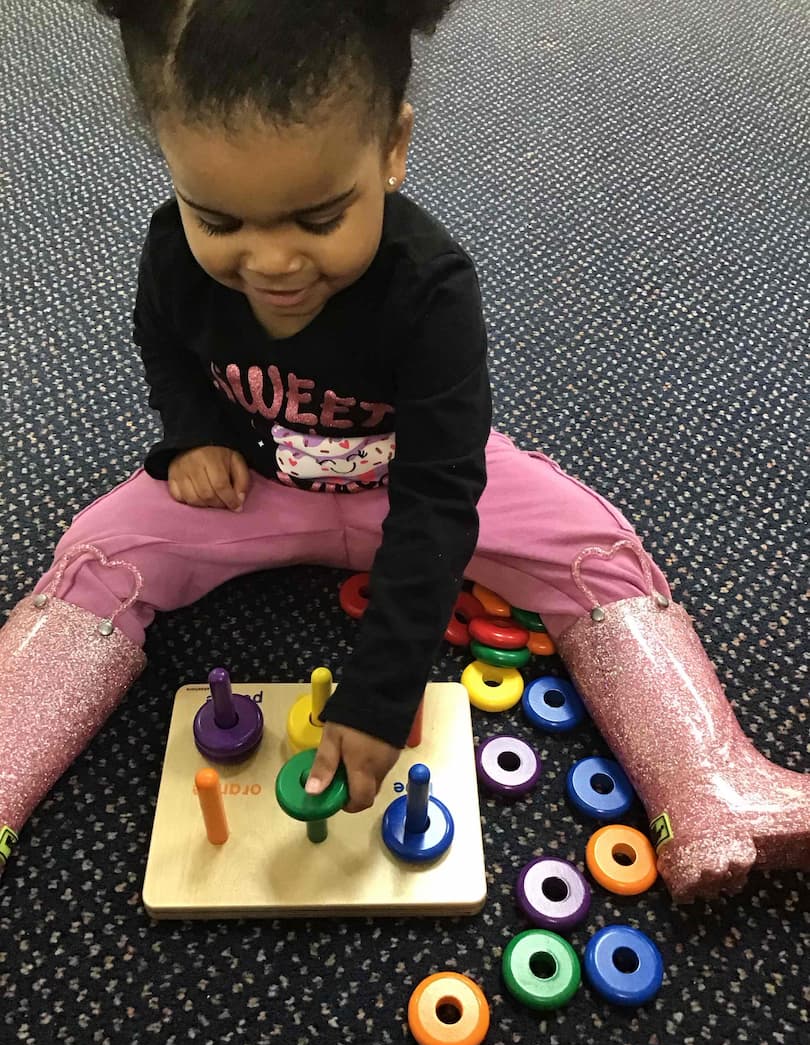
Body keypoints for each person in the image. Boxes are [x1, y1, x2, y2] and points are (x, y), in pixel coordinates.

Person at [0, 0, 807, 901]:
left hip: (418, 476)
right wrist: (191, 434)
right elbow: (164, 345)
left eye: (318, 218)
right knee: (98, 555)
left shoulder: (432, 287)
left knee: (595, 551)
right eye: (220, 222)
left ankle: (707, 786)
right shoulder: (169, 252)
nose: (271, 262)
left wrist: (381, 693)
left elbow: (441, 495)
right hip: (255, 484)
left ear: (392, 147)